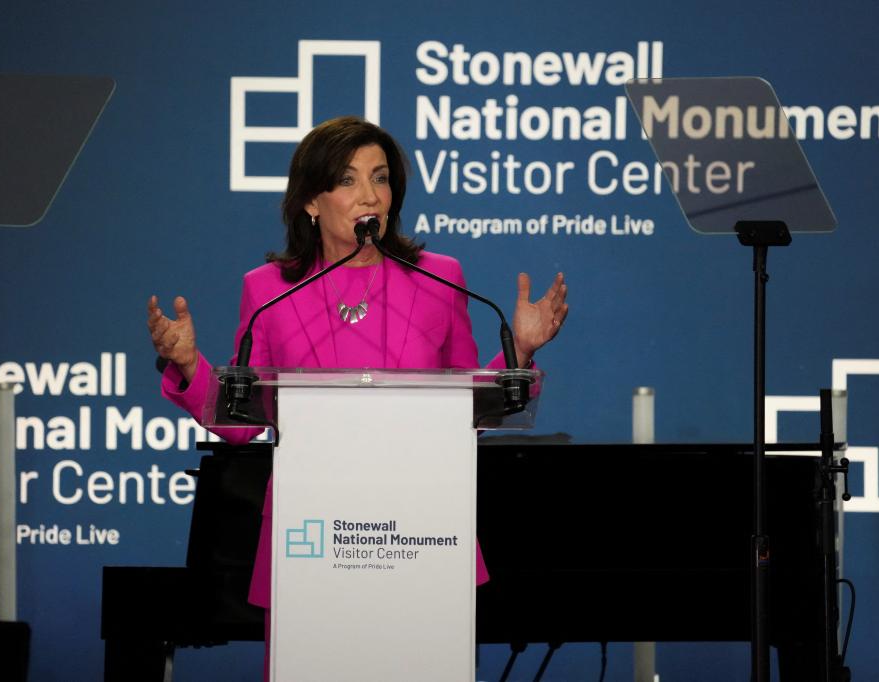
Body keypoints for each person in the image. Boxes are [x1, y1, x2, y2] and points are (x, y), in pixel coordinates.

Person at [147, 115, 568, 675]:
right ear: (312, 202)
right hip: (312, 542)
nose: (369, 195)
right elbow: (244, 421)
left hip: (424, 532)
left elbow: (467, 407)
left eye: (381, 177)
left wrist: (518, 351)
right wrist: (188, 365)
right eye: (347, 180)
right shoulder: (267, 290)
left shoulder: (439, 279)